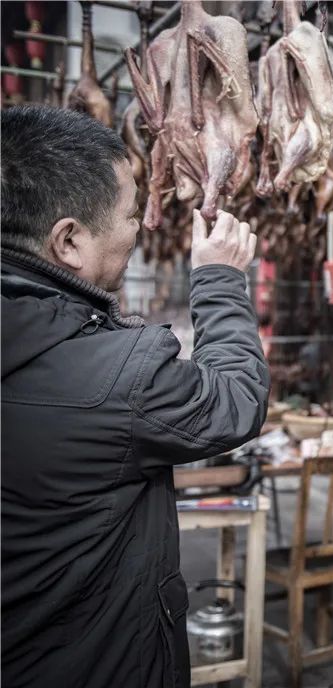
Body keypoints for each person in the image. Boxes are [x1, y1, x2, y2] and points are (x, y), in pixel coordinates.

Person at [1, 106, 270, 687]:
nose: (142, 226)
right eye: (129, 214)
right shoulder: (114, 375)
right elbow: (237, 402)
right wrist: (220, 279)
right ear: (68, 240)